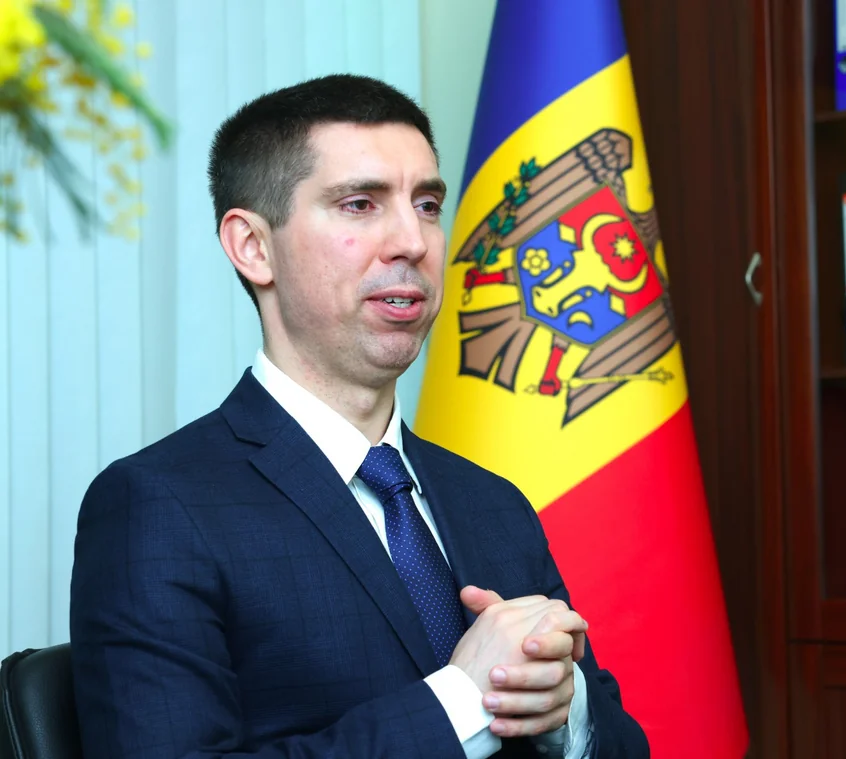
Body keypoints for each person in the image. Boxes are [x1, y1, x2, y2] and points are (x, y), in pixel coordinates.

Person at [68, 73, 650, 759]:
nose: (413, 241)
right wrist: (466, 700)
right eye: (360, 204)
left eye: (427, 205)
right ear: (253, 247)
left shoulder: (494, 504)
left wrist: (562, 713)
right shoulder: (157, 505)